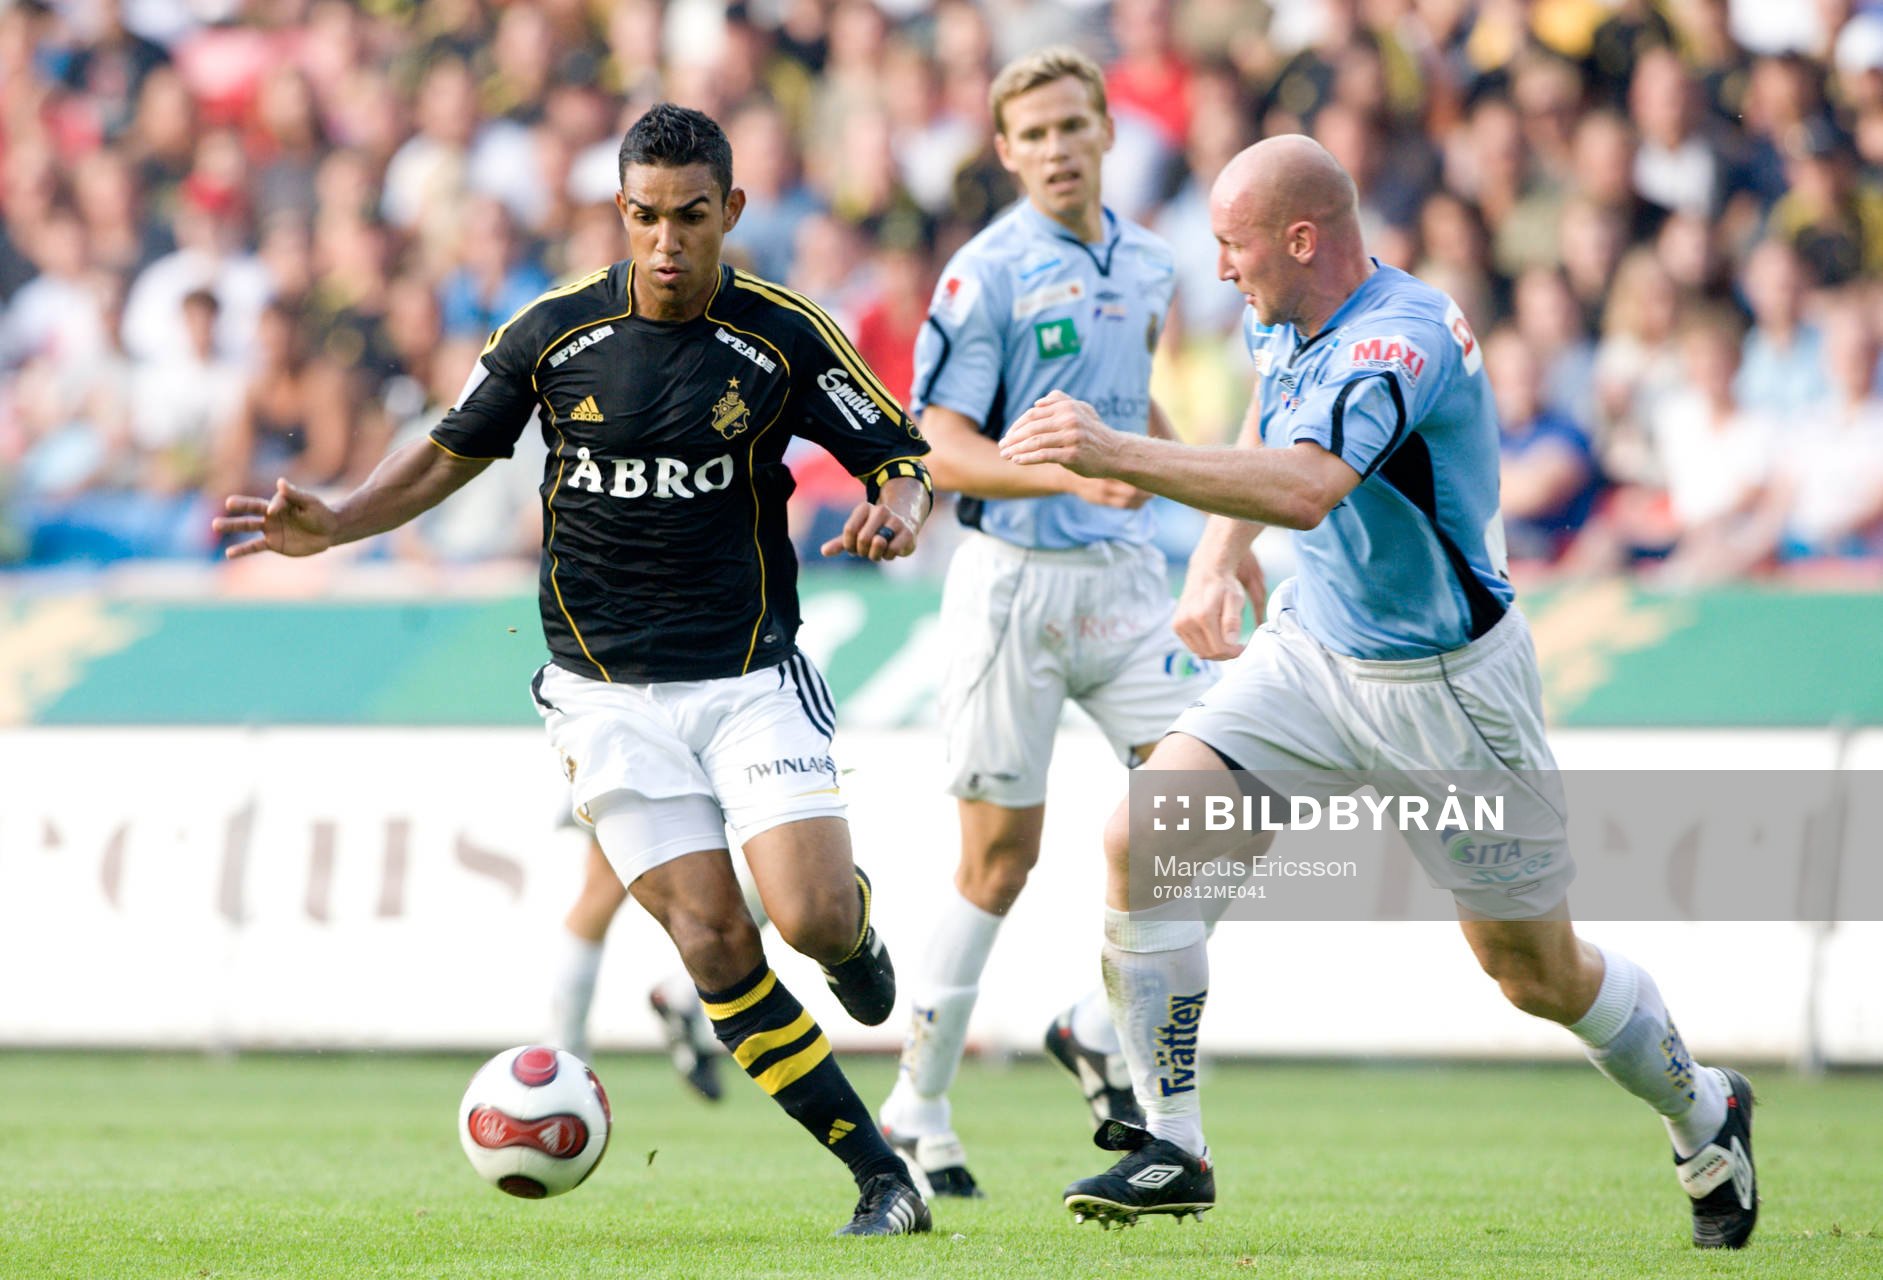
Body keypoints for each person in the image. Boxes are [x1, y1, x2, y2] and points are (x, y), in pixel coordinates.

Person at [1001, 135, 1758, 1250]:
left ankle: (1705, 1110)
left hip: (1447, 689)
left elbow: (1308, 484)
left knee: (1531, 969)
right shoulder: (1286, 309)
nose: (1221, 269)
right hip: (1313, 650)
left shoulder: (1399, 342)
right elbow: (1269, 421)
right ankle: (1175, 1143)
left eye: (1233, 244)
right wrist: (1215, 559)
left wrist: (1118, 451)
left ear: (1300, 240)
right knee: (1141, 834)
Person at [214, 104, 935, 1239]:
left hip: (747, 675)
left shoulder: (783, 334)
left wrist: (897, 512)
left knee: (810, 917)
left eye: (689, 218)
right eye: (644, 217)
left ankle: (854, 929)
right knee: (710, 939)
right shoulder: (554, 333)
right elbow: (452, 450)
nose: (664, 243)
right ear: (620, 211)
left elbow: (898, 456)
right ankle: (880, 1174)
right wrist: (342, 517)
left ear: (730, 213)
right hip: (601, 694)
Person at [875, 47, 1230, 1198]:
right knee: (997, 858)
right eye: (1034, 133)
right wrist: (1070, 481)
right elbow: (937, 444)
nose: (1058, 147)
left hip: (1125, 585)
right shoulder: (984, 275)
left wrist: (1216, 515)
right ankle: (916, 1104)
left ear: (1105, 133)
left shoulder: (1148, 259)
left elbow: (1133, 402)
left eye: (1075, 124)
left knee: (1203, 808)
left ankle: (1092, 1018)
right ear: (1005, 150)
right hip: (1012, 581)